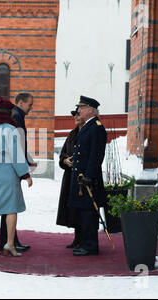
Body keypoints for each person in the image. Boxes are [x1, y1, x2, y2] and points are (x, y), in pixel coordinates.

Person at [0, 97, 33, 257]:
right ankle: (9, 244)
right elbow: (15, 154)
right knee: (11, 208)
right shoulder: (10, 130)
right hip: (7, 172)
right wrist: (25, 174)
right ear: (8, 113)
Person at [0, 92, 35, 253]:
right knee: (10, 207)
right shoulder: (17, 116)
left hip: (10, 166)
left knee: (8, 206)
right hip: (11, 168)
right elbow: (17, 144)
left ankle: (12, 240)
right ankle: (8, 241)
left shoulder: (17, 115)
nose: (31, 107)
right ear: (21, 102)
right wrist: (23, 169)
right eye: (30, 104)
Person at [67, 95, 107, 257]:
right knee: (83, 211)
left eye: (81, 108)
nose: (78, 111)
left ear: (91, 110)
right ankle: (85, 242)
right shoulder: (88, 126)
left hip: (88, 179)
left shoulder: (96, 127)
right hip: (81, 177)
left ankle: (91, 245)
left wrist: (89, 176)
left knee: (89, 212)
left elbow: (96, 155)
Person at [56, 107, 86, 249]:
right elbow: (62, 154)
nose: (75, 118)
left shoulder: (87, 132)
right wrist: (65, 161)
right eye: (74, 116)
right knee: (72, 208)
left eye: (77, 115)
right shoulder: (72, 134)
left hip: (80, 177)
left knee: (80, 209)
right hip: (69, 176)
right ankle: (77, 238)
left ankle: (82, 239)